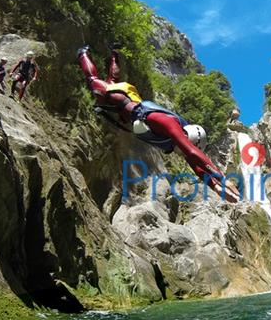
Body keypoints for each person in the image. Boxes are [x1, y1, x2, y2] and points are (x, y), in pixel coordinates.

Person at [77, 45, 241, 203]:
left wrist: (216, 187)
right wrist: (223, 179)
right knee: (95, 83)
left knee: (113, 80)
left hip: (125, 101)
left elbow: (194, 164)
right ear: (189, 136)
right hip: (121, 98)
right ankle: (82, 53)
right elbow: (191, 152)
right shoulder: (171, 124)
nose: (183, 149)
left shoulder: (174, 138)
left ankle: (114, 52)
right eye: (190, 144)